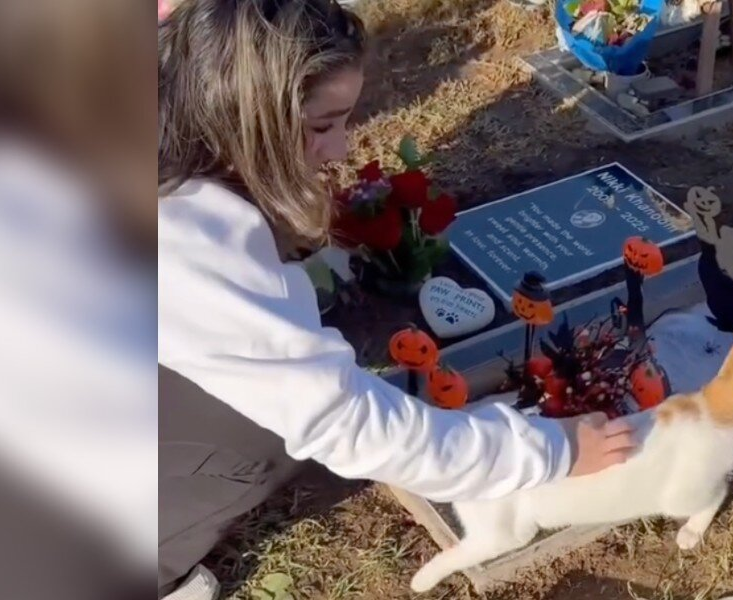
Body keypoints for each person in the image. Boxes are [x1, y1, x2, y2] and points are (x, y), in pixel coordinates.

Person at [157, 1, 636, 598]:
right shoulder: (182, 240)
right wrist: (552, 450)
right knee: (260, 426)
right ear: (241, 113)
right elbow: (345, 422)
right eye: (321, 125)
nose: (338, 151)